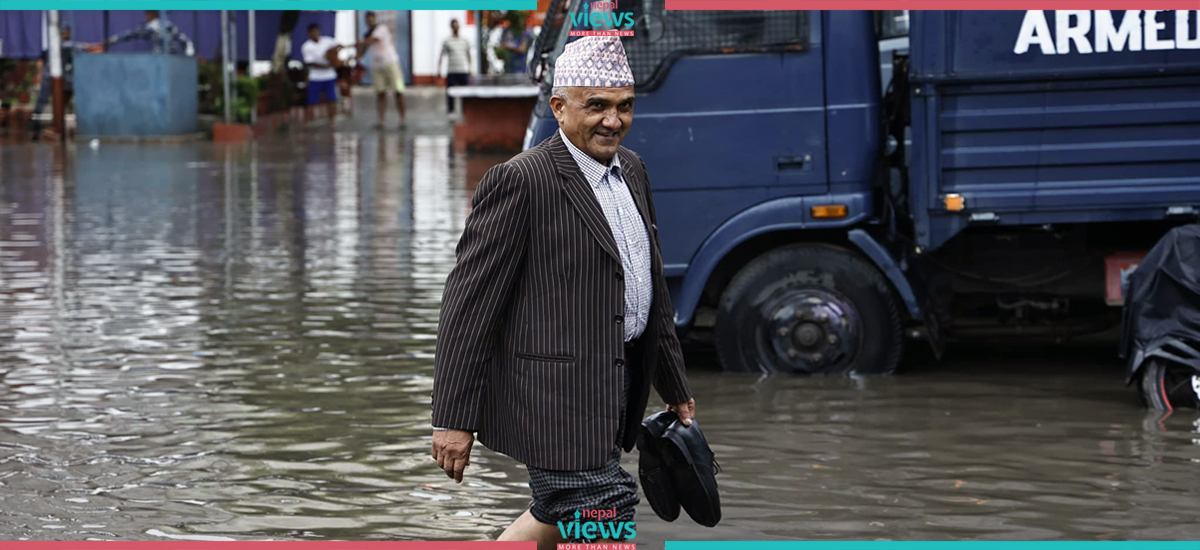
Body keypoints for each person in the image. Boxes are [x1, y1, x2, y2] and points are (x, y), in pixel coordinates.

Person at [430, 36, 695, 550]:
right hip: (552, 401)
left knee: (558, 511)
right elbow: (468, 308)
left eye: (623, 107)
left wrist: (673, 383)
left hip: (613, 391)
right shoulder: (521, 181)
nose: (612, 121)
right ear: (558, 107)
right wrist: (452, 418)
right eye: (595, 106)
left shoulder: (633, 170)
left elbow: (649, 286)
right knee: (606, 505)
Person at [29, 25, 87, 139]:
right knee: (45, 103)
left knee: (49, 103)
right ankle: (39, 127)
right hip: (55, 78)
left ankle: (41, 127)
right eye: (67, 32)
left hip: (60, 78)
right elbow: (81, 48)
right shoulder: (62, 44)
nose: (68, 34)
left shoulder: (53, 44)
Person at [357, 12, 407, 130]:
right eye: (367, 19)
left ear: (375, 19)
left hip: (391, 64)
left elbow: (371, 40)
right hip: (377, 67)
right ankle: (381, 121)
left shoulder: (382, 29)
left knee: (399, 91)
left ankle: (403, 120)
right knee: (380, 93)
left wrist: (359, 43)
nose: (369, 21)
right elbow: (363, 50)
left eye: (371, 18)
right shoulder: (366, 35)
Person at [97, 10, 194, 56]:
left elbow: (130, 35)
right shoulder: (168, 25)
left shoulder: (149, 27)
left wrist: (112, 40)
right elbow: (185, 40)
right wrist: (190, 54)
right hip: (174, 58)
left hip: (158, 58)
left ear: (149, 15)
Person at [301, 23, 341, 126]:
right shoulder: (306, 46)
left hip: (329, 76)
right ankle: (307, 122)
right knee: (311, 101)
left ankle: (332, 122)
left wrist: (334, 56)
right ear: (309, 33)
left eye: (317, 31)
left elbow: (338, 46)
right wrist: (327, 65)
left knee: (332, 100)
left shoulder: (327, 41)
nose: (315, 33)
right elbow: (310, 63)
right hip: (315, 77)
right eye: (313, 32)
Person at [438, 19, 472, 118]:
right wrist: (439, 69)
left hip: (463, 70)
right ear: (451, 27)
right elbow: (442, 55)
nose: (456, 28)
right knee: (450, 92)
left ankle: (465, 111)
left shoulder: (464, 40)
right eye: (454, 26)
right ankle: (451, 112)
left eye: (457, 26)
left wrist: (470, 68)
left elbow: (468, 54)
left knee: (465, 93)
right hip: (452, 70)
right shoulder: (447, 41)